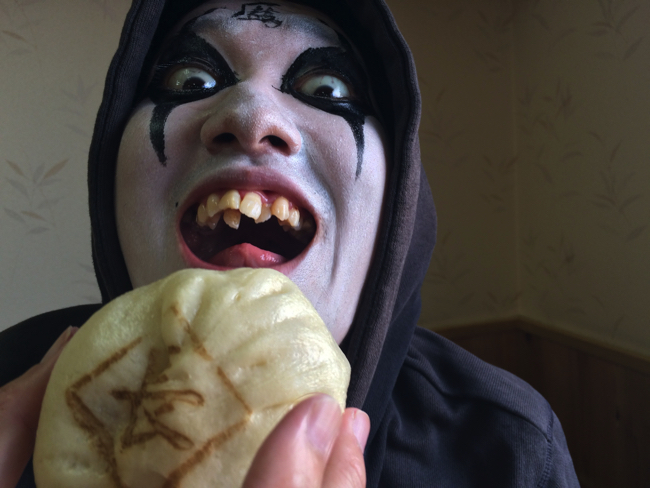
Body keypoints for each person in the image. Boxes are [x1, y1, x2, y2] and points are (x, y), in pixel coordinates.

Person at [0, 1, 580, 487]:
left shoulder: (508, 451)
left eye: (328, 88)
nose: (251, 116)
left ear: (399, 200)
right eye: (191, 81)